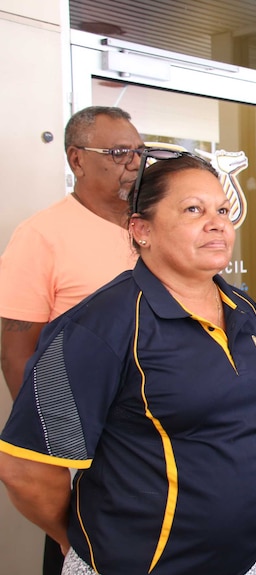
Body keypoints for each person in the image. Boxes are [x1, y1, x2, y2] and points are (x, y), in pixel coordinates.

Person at [0, 151, 256, 574]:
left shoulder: (241, 306)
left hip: (255, 554)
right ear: (141, 229)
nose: (217, 222)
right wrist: (80, 542)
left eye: (222, 209)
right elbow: (26, 469)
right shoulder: (98, 327)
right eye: (193, 209)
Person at [0, 105, 143, 575]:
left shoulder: (154, 230)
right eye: (119, 152)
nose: (135, 162)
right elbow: (19, 353)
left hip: (154, 448)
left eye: (140, 151)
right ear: (76, 159)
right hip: (90, 453)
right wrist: (61, 451)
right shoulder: (41, 236)